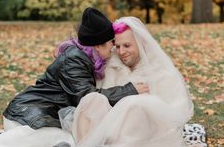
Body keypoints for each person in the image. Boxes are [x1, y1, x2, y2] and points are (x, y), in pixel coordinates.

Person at [0, 9, 147, 147]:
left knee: (72, 140)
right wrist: (129, 90)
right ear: (98, 45)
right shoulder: (74, 60)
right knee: (69, 141)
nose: (114, 48)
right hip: (26, 116)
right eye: (111, 43)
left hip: (40, 116)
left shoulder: (82, 58)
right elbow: (87, 96)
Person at [70, 17, 194, 147]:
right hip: (110, 131)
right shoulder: (110, 67)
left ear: (141, 44)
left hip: (148, 135)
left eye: (127, 45)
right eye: (117, 46)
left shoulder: (161, 71)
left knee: (138, 103)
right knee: (92, 99)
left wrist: (137, 104)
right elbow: (102, 104)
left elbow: (173, 116)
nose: (121, 52)